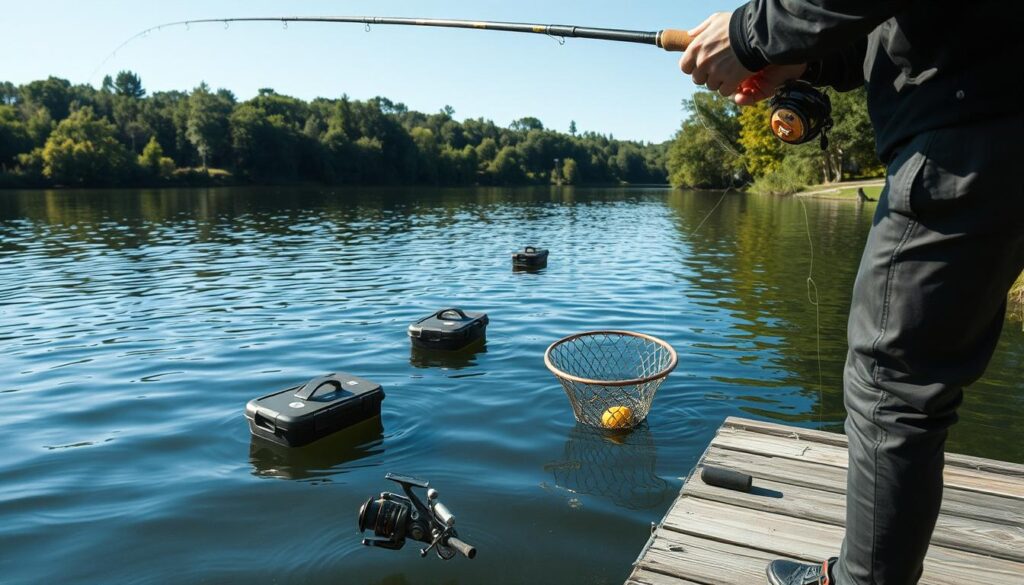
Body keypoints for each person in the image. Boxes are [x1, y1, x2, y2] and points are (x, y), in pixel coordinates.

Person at [678, 2, 1024, 584]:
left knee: (891, 385)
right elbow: (892, 33)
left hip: (960, 138)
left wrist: (750, 33)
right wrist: (798, 64)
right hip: (990, 121)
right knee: (917, 383)